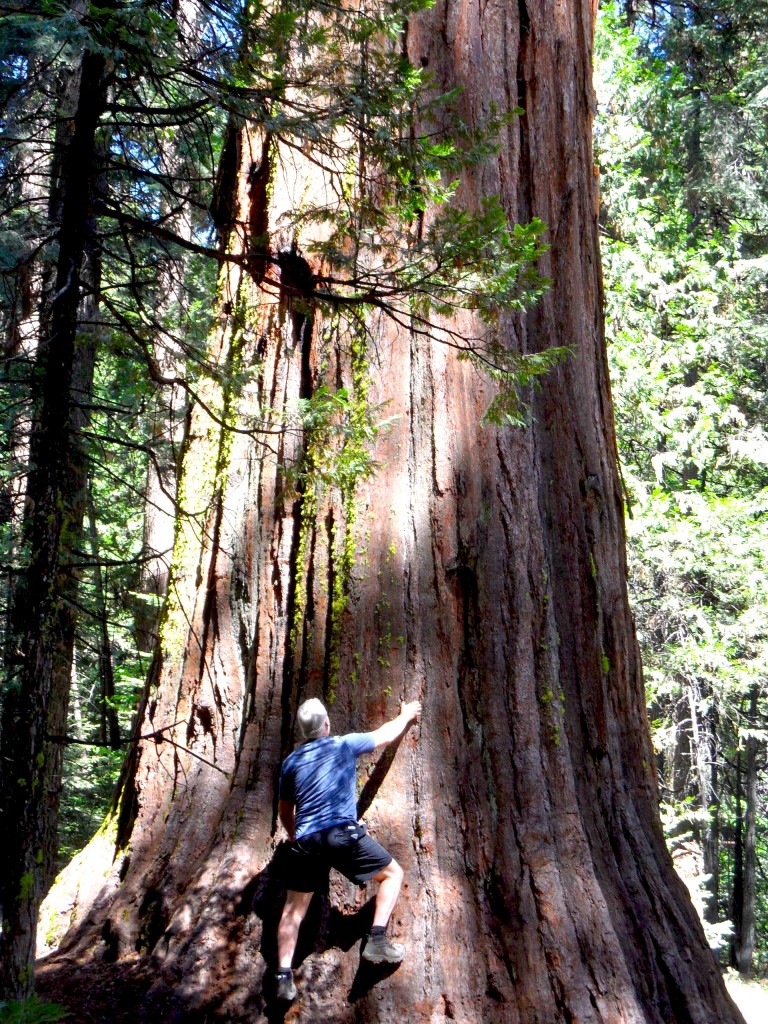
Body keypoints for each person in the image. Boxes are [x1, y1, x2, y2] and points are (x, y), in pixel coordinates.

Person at [274, 696, 422, 1001]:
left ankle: (283, 976)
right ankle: (377, 940)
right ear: (326, 725)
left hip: (306, 842)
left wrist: (293, 836)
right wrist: (407, 715)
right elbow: (385, 734)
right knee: (393, 874)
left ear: (303, 732)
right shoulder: (343, 745)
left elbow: (285, 810)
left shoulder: (291, 763)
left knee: (292, 910)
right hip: (341, 835)